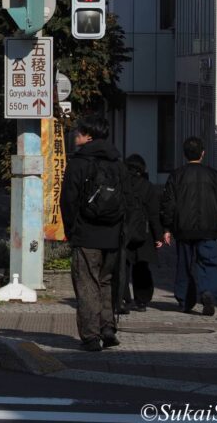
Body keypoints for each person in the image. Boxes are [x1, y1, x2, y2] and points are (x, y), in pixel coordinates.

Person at [60, 113, 127, 351]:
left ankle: (90, 336)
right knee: (106, 281)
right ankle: (107, 328)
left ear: (88, 136)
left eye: (79, 131)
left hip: (86, 233)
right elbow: (127, 198)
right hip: (112, 234)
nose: (76, 134)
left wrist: (71, 230)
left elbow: (68, 201)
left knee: (87, 283)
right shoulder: (117, 163)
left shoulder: (78, 163)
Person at [160, 137, 217, 316]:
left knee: (184, 264)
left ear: (184, 154)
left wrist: (166, 228)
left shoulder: (177, 175)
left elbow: (168, 204)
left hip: (183, 228)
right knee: (209, 263)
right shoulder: (213, 175)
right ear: (203, 153)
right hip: (209, 228)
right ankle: (208, 291)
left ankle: (185, 300)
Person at [117, 154, 163, 313]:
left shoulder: (121, 184)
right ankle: (142, 300)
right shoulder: (148, 187)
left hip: (124, 230)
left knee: (123, 265)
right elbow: (154, 214)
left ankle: (122, 298)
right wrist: (159, 236)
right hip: (144, 233)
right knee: (142, 266)